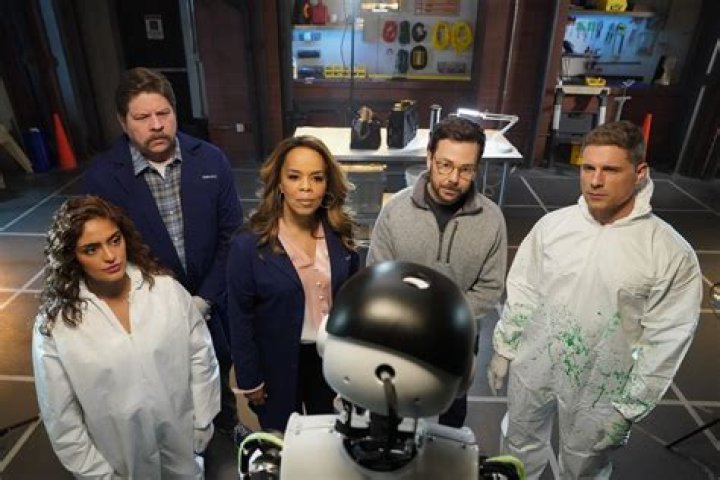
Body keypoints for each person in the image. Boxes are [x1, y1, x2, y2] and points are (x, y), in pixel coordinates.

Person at [489, 120, 703, 479]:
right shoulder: (553, 228)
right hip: (535, 362)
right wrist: (505, 347)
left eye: (610, 170)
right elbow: (524, 289)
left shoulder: (667, 252)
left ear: (639, 173)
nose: (595, 181)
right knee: (519, 444)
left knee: (584, 465)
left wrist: (630, 408)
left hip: (601, 382)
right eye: (588, 168)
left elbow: (666, 338)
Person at [83, 67, 242, 434]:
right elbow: (104, 254)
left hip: (211, 309)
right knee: (162, 402)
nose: (156, 125)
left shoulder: (211, 161)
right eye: (142, 117)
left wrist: (204, 299)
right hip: (145, 317)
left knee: (217, 391)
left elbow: (231, 237)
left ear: (175, 112)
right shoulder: (102, 177)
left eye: (163, 113)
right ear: (123, 122)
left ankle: (222, 442)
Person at [33, 196, 220, 479]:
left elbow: (201, 356)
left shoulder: (166, 291)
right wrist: (100, 475)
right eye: (91, 249)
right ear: (71, 257)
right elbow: (61, 416)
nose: (110, 256)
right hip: (117, 464)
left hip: (184, 452)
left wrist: (201, 426)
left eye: (114, 240)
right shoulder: (56, 325)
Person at [366, 115, 508, 427]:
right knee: (389, 412)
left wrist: (443, 318)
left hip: (458, 336)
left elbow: (490, 287)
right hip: (399, 334)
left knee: (452, 416)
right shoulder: (395, 211)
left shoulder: (492, 220)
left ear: (477, 168)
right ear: (429, 158)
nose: (453, 178)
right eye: (445, 165)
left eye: (466, 169)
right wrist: (412, 320)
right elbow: (378, 273)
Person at [227, 135, 359, 431]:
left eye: (317, 178)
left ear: (327, 184)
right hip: (276, 362)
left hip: (330, 360)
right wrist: (250, 379)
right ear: (279, 183)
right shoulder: (248, 245)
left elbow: (352, 304)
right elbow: (239, 318)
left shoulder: (341, 234)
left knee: (330, 439)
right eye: (294, 176)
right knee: (284, 442)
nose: (306, 188)